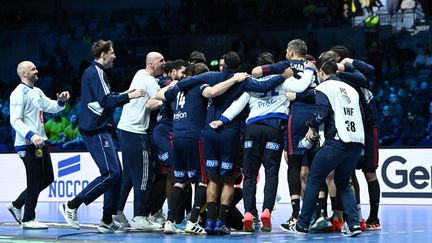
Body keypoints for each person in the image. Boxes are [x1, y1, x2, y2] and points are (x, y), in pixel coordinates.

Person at [59, 40, 145, 233]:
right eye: (112, 52)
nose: (115, 56)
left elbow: (103, 98)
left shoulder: (96, 73)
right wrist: (130, 96)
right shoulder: (96, 72)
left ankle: (107, 220)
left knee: (117, 175)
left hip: (100, 128)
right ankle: (72, 205)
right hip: (95, 130)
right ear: (103, 54)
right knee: (111, 173)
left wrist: (123, 93)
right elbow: (106, 101)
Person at [280, 54, 364, 237]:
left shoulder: (323, 87)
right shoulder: (351, 88)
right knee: (343, 182)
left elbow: (321, 114)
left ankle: (302, 224)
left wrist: (311, 126)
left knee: (314, 178)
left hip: (338, 141)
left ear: (320, 72)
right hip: (357, 142)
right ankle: (354, 224)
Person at [8, 61, 70, 229]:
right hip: (27, 144)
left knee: (48, 178)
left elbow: (52, 107)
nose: (37, 71)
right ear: (24, 74)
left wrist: (61, 102)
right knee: (35, 181)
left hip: (40, 142)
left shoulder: (37, 91)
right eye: (33, 69)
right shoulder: (18, 93)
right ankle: (28, 219)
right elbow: (15, 120)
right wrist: (31, 135)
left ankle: (16, 204)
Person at [115, 51, 165, 230]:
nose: (164, 64)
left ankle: (117, 212)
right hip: (136, 131)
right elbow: (162, 97)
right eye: (161, 61)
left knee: (128, 175)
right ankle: (139, 216)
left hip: (124, 128)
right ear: (151, 64)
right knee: (145, 175)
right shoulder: (149, 80)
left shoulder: (139, 74)